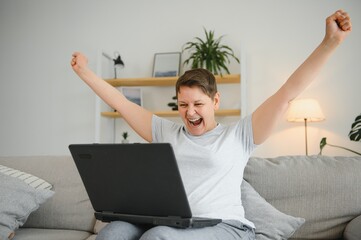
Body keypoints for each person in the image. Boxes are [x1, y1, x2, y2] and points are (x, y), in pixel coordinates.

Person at [71, 10, 352, 240]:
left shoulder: (240, 135)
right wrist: (84, 71)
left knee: (158, 238)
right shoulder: (165, 132)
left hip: (225, 227)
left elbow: (287, 92)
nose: (190, 112)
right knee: (112, 234)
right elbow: (122, 104)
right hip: (172, 224)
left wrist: (330, 43)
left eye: (198, 104)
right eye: (183, 105)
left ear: (215, 101)